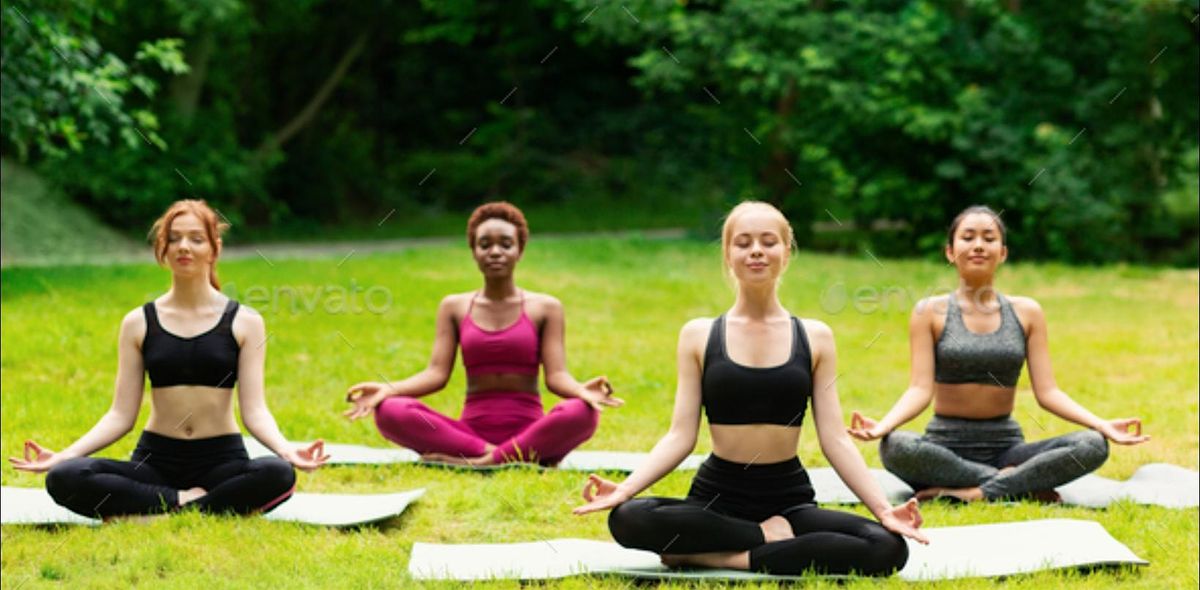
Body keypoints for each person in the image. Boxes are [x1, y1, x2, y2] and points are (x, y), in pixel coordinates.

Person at [572, 201, 925, 576]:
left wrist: (884, 511)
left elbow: (835, 439)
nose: (756, 250)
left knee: (886, 547)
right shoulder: (699, 335)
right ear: (728, 255)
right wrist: (625, 490)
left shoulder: (815, 336)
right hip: (717, 498)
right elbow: (680, 436)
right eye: (743, 242)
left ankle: (722, 556)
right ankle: (761, 536)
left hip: (788, 500)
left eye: (768, 241)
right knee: (628, 518)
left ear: (787, 253)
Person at [9, 199, 328, 519]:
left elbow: (255, 411)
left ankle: (159, 508)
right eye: (173, 239)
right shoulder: (138, 322)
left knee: (278, 474)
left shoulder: (246, 321)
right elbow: (121, 415)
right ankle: (191, 503)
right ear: (162, 247)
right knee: (65, 477)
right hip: (156, 461)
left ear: (215, 248)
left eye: (195, 239)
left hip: (221, 460)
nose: (183, 247)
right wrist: (64, 455)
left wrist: (286, 449)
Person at [848, 205, 1149, 503]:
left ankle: (977, 492)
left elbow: (1048, 392)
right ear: (950, 252)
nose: (978, 245)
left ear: (1002, 253)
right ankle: (1019, 484)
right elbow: (919, 389)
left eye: (989, 238)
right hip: (944, 449)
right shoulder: (929, 311)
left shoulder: (1028, 312)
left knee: (1093, 444)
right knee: (895, 446)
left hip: (1007, 447)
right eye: (968, 237)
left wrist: (1102, 424)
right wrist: (885, 425)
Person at [344, 201, 621, 466]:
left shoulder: (546, 308)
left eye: (506, 244)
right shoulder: (454, 306)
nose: (495, 252)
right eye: (485, 245)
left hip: (532, 429)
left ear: (520, 251)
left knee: (582, 413)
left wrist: (581, 391)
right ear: (474, 251)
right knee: (391, 411)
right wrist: (386, 390)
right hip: (469, 435)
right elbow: (436, 375)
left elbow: (557, 377)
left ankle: (483, 462)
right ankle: (508, 456)